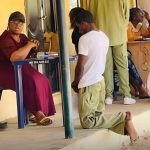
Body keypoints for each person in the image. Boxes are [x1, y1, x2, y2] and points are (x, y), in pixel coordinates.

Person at [71, 9, 138, 143]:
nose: (78, 30)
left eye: (78, 26)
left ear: (84, 23)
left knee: (88, 122)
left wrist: (76, 82)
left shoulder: (84, 39)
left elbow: (81, 64)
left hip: (88, 84)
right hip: (100, 83)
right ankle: (126, 128)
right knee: (97, 117)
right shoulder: (104, 36)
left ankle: (123, 117)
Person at [0, 11, 56, 126]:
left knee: (42, 79)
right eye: (14, 22)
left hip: (22, 69)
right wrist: (29, 45)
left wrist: (33, 46)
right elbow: (15, 57)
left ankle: (38, 111)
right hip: (6, 71)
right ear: (9, 24)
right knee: (29, 81)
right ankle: (37, 113)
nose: (17, 26)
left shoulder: (22, 37)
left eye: (20, 23)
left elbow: (26, 53)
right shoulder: (4, 38)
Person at [80, 0, 136, 105]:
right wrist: (123, 28)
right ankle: (126, 95)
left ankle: (108, 96)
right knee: (122, 66)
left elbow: (90, 15)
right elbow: (126, 14)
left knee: (106, 66)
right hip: (118, 33)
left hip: (101, 35)